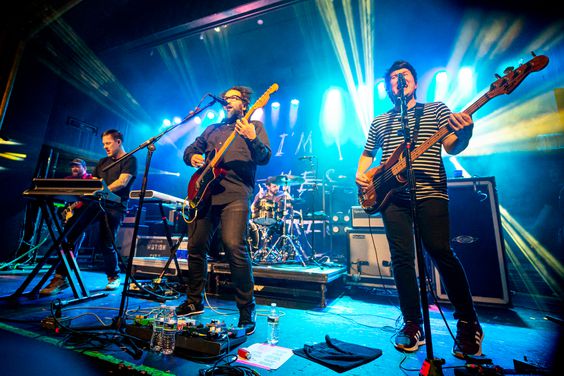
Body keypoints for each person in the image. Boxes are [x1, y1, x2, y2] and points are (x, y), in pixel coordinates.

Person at [355, 61, 483, 359]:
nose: (399, 80)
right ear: (388, 87)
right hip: (391, 197)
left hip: (430, 192)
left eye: (405, 76)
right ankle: (413, 323)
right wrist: (361, 175)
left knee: (440, 251)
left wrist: (464, 133)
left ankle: (468, 322)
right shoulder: (380, 121)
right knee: (401, 259)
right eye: (393, 78)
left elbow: (452, 146)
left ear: (414, 83)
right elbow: (366, 155)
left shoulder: (436, 109)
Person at [177, 86, 271, 335]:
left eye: (233, 98)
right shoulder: (212, 129)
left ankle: (246, 310)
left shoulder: (254, 126)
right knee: (195, 248)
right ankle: (193, 301)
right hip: (206, 194)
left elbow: (264, 157)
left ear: (244, 104)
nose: (227, 101)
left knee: (233, 246)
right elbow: (189, 150)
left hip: (236, 195)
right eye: (225, 98)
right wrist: (193, 158)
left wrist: (252, 137)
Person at [40, 130, 137, 295]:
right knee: (70, 234)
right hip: (94, 203)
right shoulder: (102, 162)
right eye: (103, 144)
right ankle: (60, 277)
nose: (105, 147)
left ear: (118, 142)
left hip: (115, 206)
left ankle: (113, 277)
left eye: (108, 143)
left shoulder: (130, 159)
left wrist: (99, 191)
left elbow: (122, 182)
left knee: (105, 241)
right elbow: (93, 183)